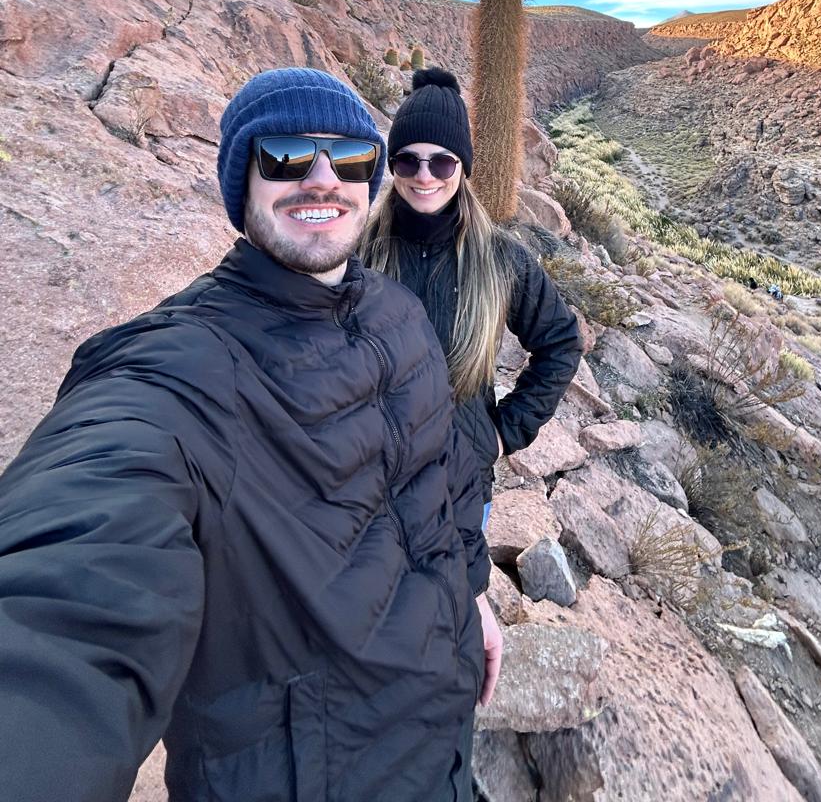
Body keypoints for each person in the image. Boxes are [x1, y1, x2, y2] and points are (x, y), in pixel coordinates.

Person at [0, 67, 500, 802]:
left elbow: (441, 478)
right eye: (289, 156)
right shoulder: (178, 368)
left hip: (446, 742)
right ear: (243, 181)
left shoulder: (399, 315)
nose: (323, 179)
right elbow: (71, 585)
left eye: (351, 158)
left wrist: (473, 591)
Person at [362, 68, 582, 522]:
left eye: (442, 162)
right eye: (408, 161)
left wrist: (501, 433)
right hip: (365, 480)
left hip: (458, 484)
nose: (425, 176)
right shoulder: (359, 250)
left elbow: (560, 342)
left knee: (454, 589)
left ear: (462, 167)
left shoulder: (502, 260)